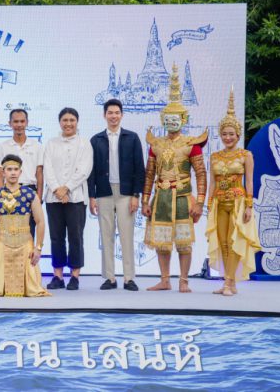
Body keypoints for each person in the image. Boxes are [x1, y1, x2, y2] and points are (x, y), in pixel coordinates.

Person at [142, 65, 208, 293]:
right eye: (168, 118)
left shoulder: (191, 144)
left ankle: (184, 281)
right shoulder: (156, 144)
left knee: (183, 242)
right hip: (160, 198)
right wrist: (145, 200)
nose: (171, 122)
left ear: (183, 119)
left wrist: (200, 202)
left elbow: (201, 174)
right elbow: (149, 174)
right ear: (163, 119)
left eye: (175, 118)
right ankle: (165, 279)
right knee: (161, 242)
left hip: (182, 198)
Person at [205, 89, 261, 295]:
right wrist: (209, 203)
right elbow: (212, 182)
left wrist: (249, 206)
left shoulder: (246, 155)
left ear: (238, 135)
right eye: (224, 134)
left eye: (231, 134)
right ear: (220, 135)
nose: (228, 137)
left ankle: (229, 283)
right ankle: (229, 283)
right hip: (219, 203)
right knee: (222, 243)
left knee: (234, 240)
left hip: (238, 202)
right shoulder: (214, 156)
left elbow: (250, 181)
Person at [88, 99, 145, 291]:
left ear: (122, 115)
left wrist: (136, 195)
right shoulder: (96, 140)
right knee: (106, 235)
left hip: (126, 192)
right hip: (104, 192)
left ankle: (129, 278)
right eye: (110, 113)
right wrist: (92, 196)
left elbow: (139, 168)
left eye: (117, 112)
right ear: (104, 115)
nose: (113, 116)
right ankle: (110, 278)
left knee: (127, 235)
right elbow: (91, 171)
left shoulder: (132, 138)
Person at [0, 154, 49, 297]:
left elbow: (40, 221)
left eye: (15, 169)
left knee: (32, 288)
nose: (13, 173)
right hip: (2, 242)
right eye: (9, 169)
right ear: (3, 172)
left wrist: (38, 248)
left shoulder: (30, 194)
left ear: (20, 172)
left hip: (25, 243)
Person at [43, 107, 93, 291]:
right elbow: (47, 168)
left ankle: (74, 276)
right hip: (53, 198)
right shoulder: (51, 143)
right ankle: (58, 276)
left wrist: (66, 188)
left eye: (72, 120)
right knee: (56, 237)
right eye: (65, 120)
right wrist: (57, 189)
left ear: (77, 122)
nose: (68, 123)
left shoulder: (84, 144)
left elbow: (84, 170)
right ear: (60, 122)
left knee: (75, 237)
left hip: (76, 198)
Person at [0, 109, 43, 238]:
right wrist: (0, 198)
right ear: (10, 123)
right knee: (8, 231)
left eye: (22, 121)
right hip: (8, 192)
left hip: (30, 191)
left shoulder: (37, 146)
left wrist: (38, 197)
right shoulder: (2, 147)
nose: (19, 125)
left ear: (27, 122)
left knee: (29, 232)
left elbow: (39, 173)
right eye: (16, 121)